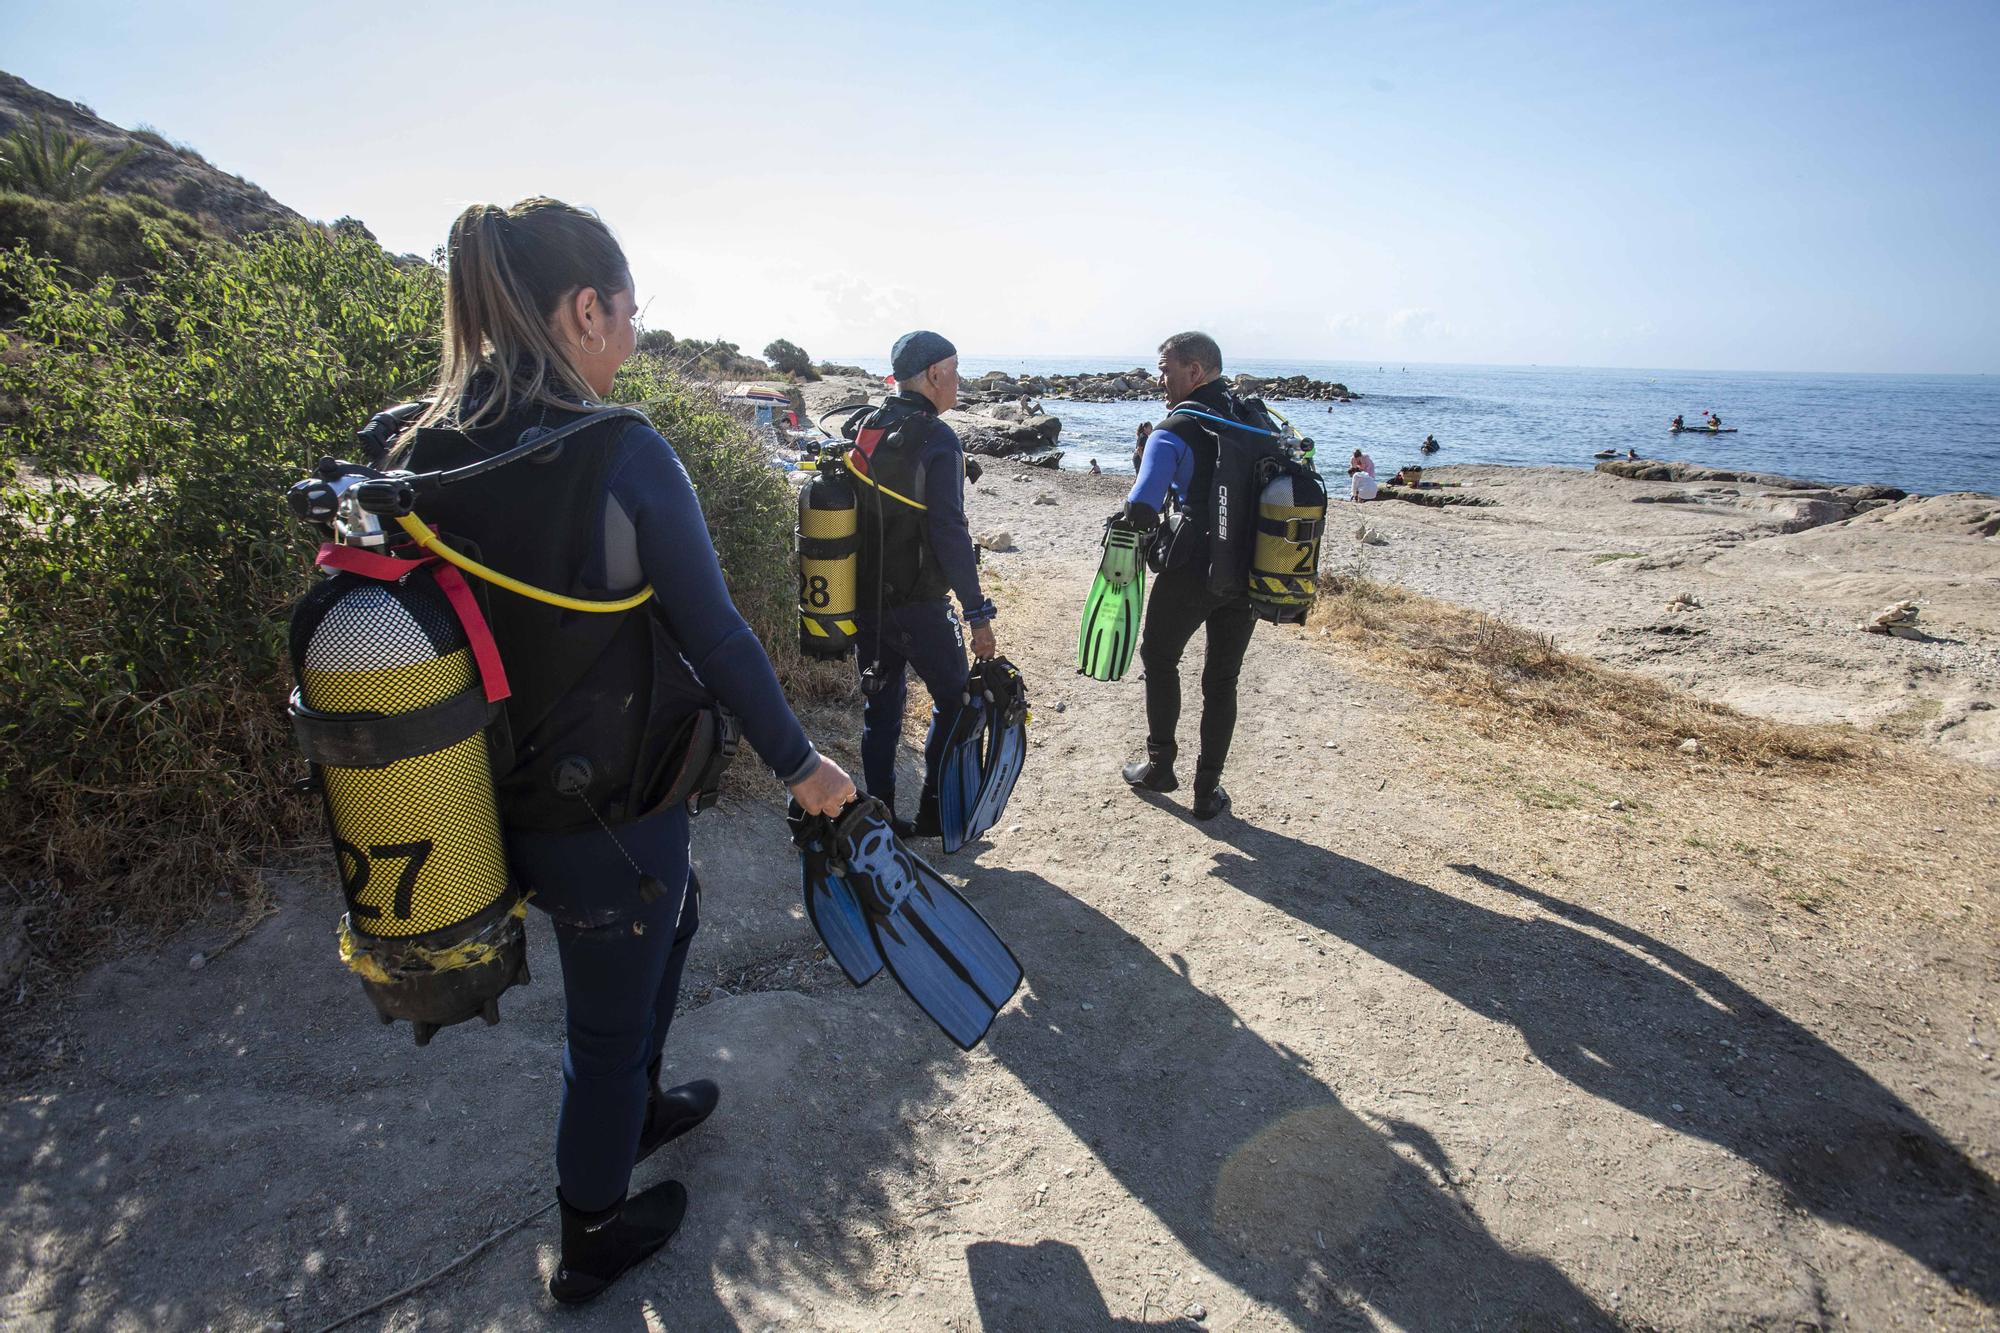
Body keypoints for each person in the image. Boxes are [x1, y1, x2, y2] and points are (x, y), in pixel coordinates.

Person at [395, 198, 856, 1303]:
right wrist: (803, 764)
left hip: (463, 789)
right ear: (584, 307)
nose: (635, 337)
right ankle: (590, 1231)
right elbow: (720, 634)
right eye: (630, 312)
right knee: (602, 1027)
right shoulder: (621, 451)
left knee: (679, 915)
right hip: (608, 803)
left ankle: (638, 1104)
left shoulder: (412, 445)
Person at [847, 330, 998, 838]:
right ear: (935, 373)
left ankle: (882, 817)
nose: (959, 379)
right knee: (956, 703)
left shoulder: (867, 424)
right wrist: (977, 614)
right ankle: (936, 814)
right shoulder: (938, 438)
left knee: (881, 710)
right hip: (919, 606)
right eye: (955, 369)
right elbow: (949, 532)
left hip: (865, 601)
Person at [1115, 331, 1262, 820]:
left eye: (1165, 369)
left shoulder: (1174, 426)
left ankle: (1161, 766)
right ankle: (1207, 790)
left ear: (1195, 371)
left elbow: (1141, 504)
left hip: (1194, 565)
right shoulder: (1251, 418)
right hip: (1249, 568)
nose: (1159, 379)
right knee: (1223, 679)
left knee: (1158, 657)